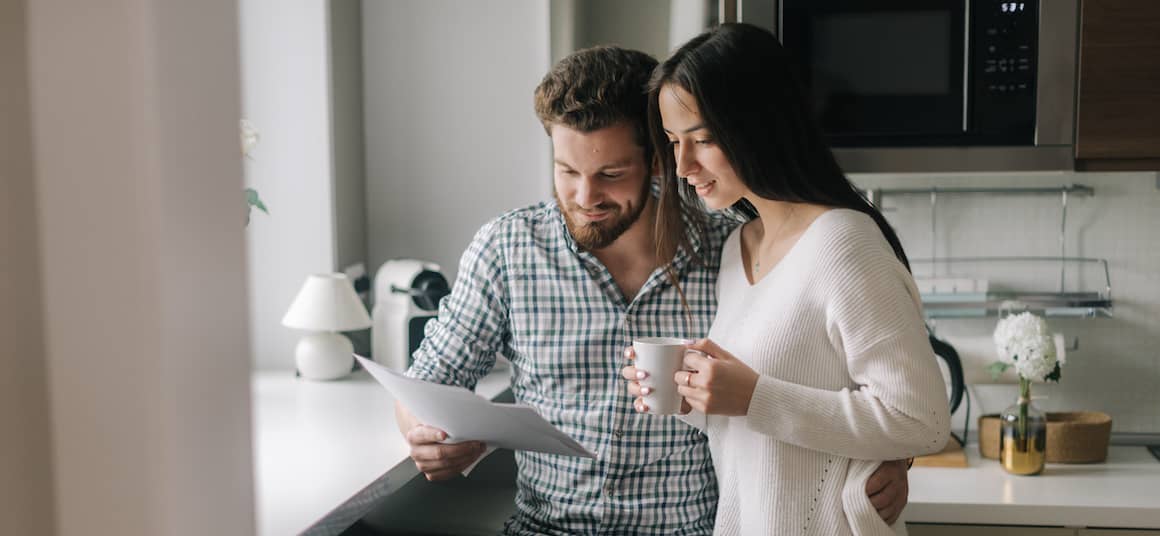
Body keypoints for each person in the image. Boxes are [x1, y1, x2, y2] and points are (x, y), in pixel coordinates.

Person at [394, 44, 911, 535]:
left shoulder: (731, 244)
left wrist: (894, 455)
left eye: (611, 174)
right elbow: (427, 383)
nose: (584, 196)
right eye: (566, 171)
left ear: (659, 159)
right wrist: (425, 434)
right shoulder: (507, 248)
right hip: (545, 527)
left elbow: (861, 371)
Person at [622, 23, 950, 535]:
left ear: (759, 125)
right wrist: (698, 398)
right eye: (672, 141)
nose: (683, 164)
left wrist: (753, 396)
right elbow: (763, 429)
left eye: (703, 139)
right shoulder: (737, 247)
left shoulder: (843, 241)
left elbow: (922, 420)